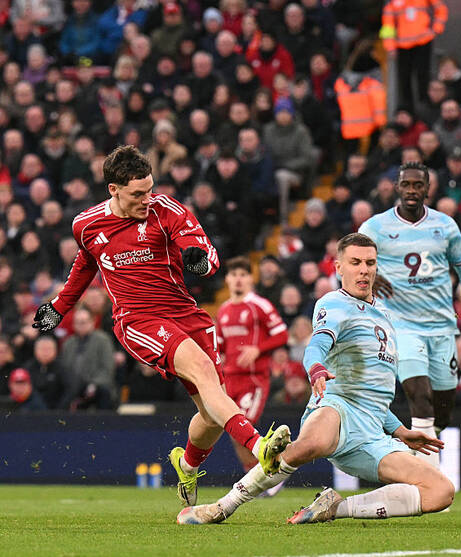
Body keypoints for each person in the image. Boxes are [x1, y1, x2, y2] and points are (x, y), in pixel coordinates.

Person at [31, 146, 289, 509]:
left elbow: (204, 251)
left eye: (150, 189)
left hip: (186, 314)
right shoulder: (86, 225)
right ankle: (260, 447)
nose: (147, 199)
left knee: (212, 414)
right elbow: (86, 265)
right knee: (203, 374)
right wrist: (59, 307)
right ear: (113, 190)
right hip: (138, 319)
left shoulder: (167, 210)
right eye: (138, 194)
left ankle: (186, 465)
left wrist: (200, 261)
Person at [176, 233, 450, 525]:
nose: (364, 269)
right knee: (309, 445)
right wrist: (316, 367)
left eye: (370, 263)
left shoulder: (383, 315)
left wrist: (400, 431)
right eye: (355, 262)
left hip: (372, 432)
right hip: (337, 408)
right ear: (338, 267)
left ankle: (335, 507)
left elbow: (373, 394)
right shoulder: (334, 304)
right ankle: (222, 506)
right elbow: (316, 345)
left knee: (441, 492)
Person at [359, 162, 461, 472]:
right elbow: (348, 258)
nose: (411, 191)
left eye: (417, 185)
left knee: (442, 412)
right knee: (419, 395)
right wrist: (368, 271)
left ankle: (414, 454)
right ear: (397, 187)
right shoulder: (375, 227)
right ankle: (431, 486)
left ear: (427, 189)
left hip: (442, 328)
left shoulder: (445, 226)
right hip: (400, 328)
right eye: (406, 184)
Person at [216, 256, 289, 471]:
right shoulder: (224, 310)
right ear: (227, 280)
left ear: (250, 279)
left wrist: (258, 349)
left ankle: (272, 472)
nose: (238, 279)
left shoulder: (260, 305)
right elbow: (219, 346)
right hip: (230, 381)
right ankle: (260, 477)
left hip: (253, 378)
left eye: (243, 275)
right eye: (234, 275)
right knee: (234, 432)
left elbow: (282, 334)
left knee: (243, 428)